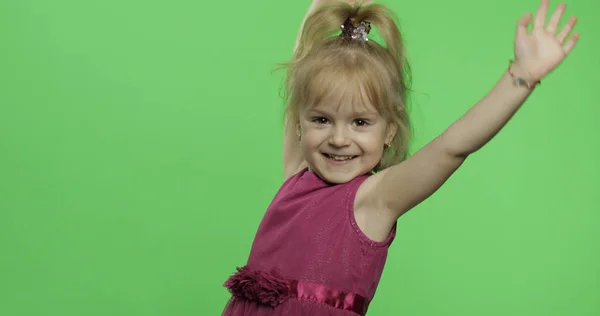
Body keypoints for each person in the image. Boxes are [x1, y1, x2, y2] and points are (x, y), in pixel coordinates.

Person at [221, 0, 579, 315]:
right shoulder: (296, 174)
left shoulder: (374, 199)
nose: (339, 138)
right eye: (321, 119)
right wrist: (319, 8)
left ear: (389, 130)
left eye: (360, 122)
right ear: (298, 121)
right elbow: (299, 65)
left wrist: (522, 76)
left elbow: (452, 147)